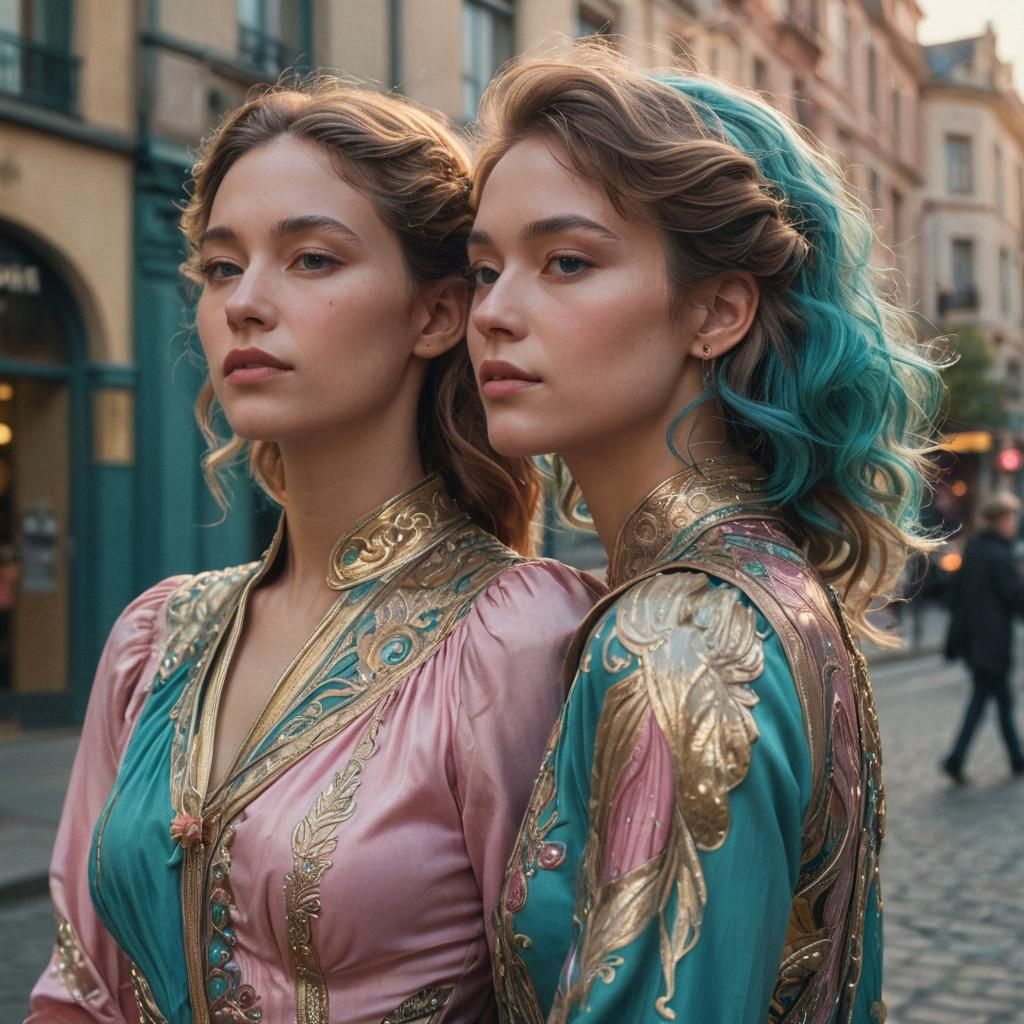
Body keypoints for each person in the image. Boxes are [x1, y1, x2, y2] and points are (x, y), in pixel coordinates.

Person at [28, 80, 599, 1024]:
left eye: (311, 259)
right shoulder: (156, 637)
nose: (246, 304)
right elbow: (80, 983)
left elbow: (567, 993)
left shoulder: (516, 638)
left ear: (436, 314)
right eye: (220, 268)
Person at [466, 47, 943, 1023]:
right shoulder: (766, 579)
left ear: (717, 310)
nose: (494, 314)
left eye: (566, 262)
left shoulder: (677, 634)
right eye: (483, 269)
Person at [942, 492, 1024, 783]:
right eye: (1011, 518)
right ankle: (957, 757)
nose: (1014, 524)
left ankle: (1016, 757)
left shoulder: (974, 550)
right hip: (993, 642)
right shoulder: (1000, 555)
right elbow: (1015, 597)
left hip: (975, 640)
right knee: (983, 702)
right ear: (999, 520)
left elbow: (954, 595)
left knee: (999, 700)